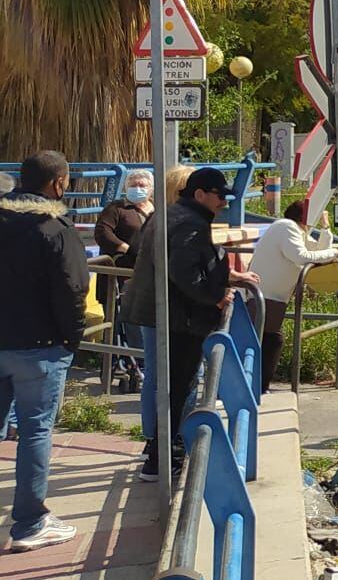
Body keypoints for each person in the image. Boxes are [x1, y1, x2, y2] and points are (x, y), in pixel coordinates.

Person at [0, 151, 90, 551]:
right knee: (35, 430)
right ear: (58, 184)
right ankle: (29, 522)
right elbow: (73, 289)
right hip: (39, 347)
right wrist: (72, 338)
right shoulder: (54, 228)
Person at [145, 167, 257, 482]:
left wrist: (228, 278)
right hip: (184, 319)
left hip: (177, 315)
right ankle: (164, 459)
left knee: (176, 388)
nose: (224, 202)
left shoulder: (178, 217)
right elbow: (187, 273)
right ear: (200, 194)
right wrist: (215, 296)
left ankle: (161, 454)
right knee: (179, 388)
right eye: (220, 195)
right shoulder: (189, 223)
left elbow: (198, 265)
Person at [123, 165, 191, 446]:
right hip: (163, 310)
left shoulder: (157, 218)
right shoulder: (173, 222)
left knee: (155, 372)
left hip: (151, 307)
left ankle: (155, 439)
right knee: (170, 375)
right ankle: (165, 443)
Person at [247, 200, 338, 390]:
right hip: (262, 297)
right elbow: (301, 256)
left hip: (271, 298)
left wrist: (326, 228)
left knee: (268, 341)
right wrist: (332, 252)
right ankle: (258, 388)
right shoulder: (286, 227)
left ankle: (258, 387)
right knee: (268, 341)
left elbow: (318, 250)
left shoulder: (296, 232)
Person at [94, 171, 152, 323]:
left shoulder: (158, 209)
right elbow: (102, 232)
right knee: (118, 319)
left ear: (151, 189)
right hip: (120, 273)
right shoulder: (116, 208)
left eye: (142, 185)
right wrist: (126, 249)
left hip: (147, 273)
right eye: (133, 185)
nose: (138, 188)